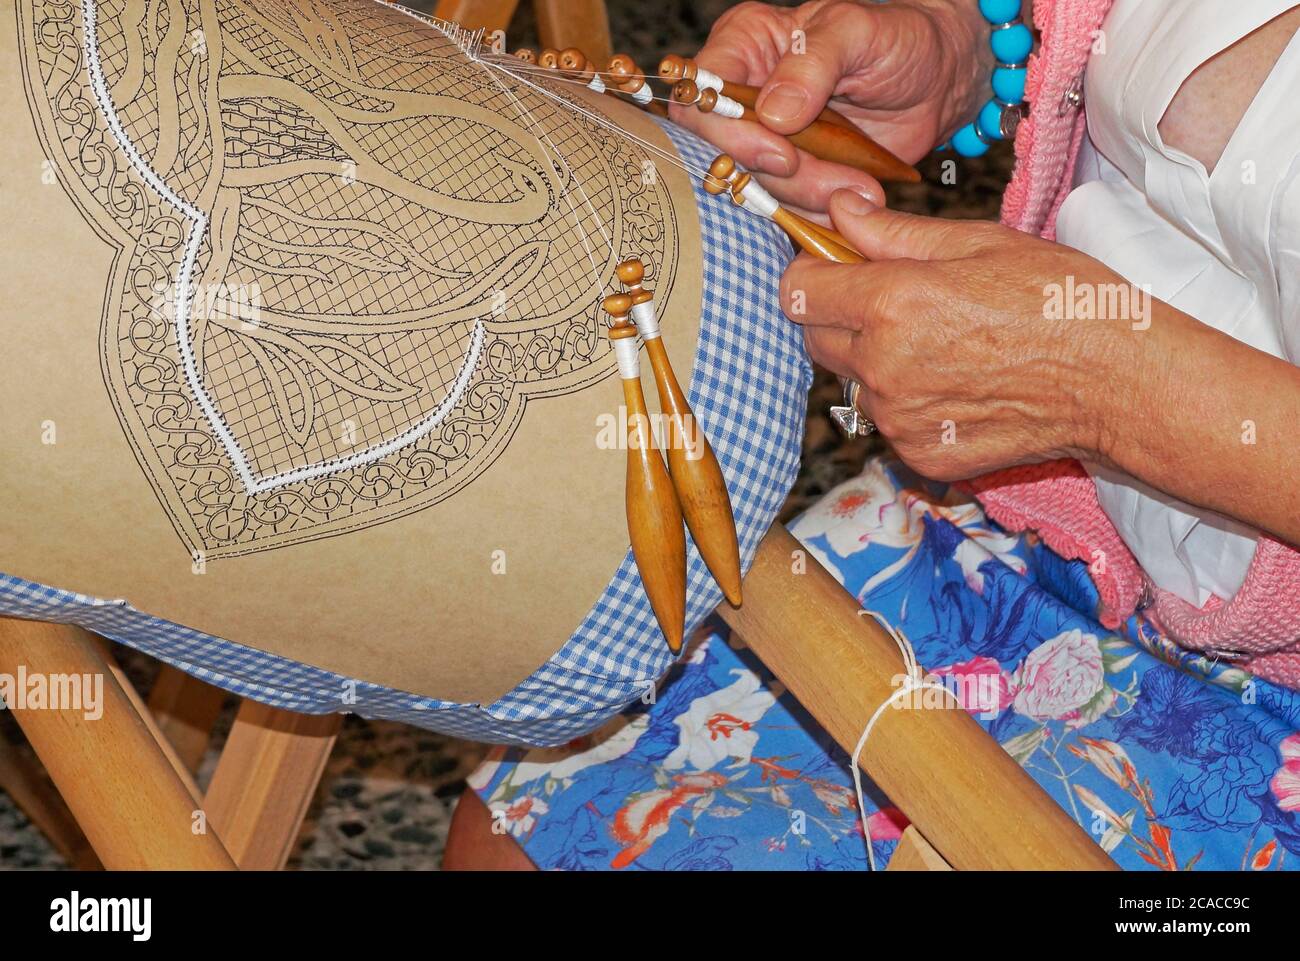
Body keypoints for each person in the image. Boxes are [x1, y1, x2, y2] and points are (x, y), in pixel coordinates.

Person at [455, 0, 1300, 870]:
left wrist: (1112, 388)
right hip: (1065, 506)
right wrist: (969, 45)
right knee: (529, 834)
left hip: (1269, 709)